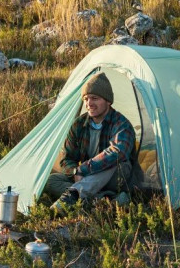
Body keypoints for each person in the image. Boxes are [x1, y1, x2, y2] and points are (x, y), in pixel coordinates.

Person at [44, 72, 136, 212]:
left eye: (94, 98)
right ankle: (103, 200)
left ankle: (73, 196)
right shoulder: (79, 124)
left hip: (115, 176)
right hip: (87, 178)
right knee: (51, 180)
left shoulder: (122, 124)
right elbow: (66, 159)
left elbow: (118, 152)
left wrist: (84, 169)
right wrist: (76, 172)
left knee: (112, 161)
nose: (89, 104)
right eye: (86, 99)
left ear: (108, 101)